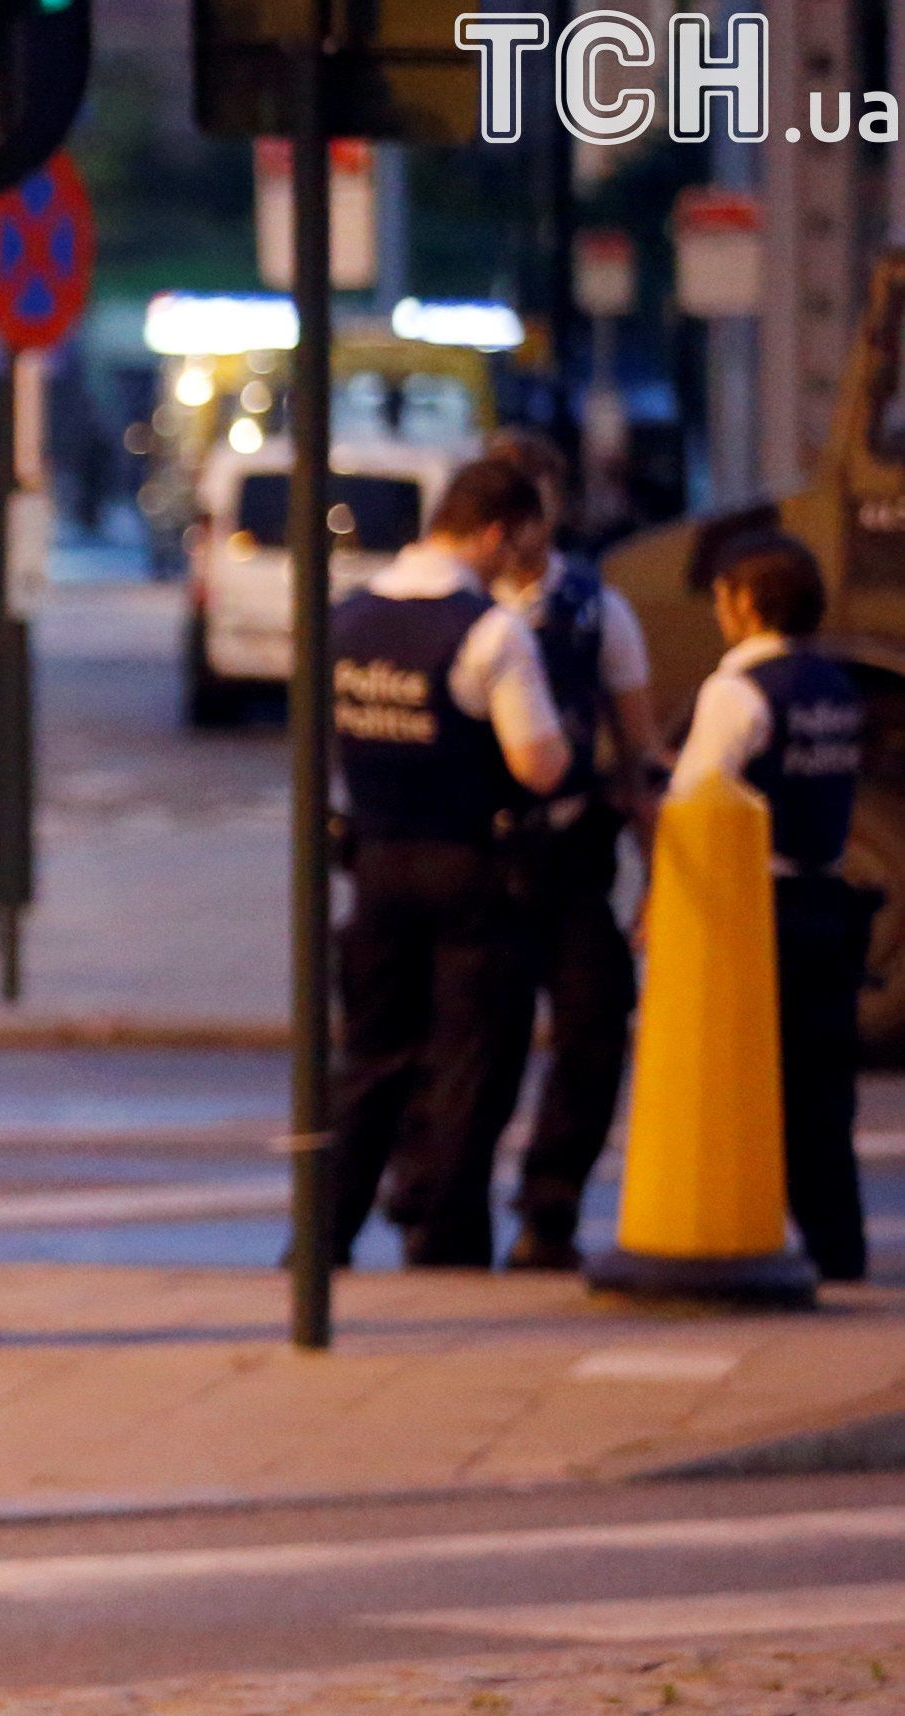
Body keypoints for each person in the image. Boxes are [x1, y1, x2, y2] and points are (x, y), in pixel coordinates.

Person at [325, 455, 575, 1269]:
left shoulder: (347, 617)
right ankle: (446, 1237)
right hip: (468, 867)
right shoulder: (491, 630)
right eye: (523, 544)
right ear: (496, 534)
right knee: (469, 1063)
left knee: (371, 1059)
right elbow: (539, 764)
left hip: (374, 863)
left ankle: (326, 1234)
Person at [465, 428, 664, 1272]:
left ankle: (549, 1209)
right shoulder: (455, 607)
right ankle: (446, 1212)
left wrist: (656, 875)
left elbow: (639, 750)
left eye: (534, 508)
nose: (519, 528)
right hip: (477, 859)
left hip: (570, 850)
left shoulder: (596, 609)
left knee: (593, 1025)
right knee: (477, 1045)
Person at [665, 534, 874, 1284]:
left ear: (748, 604)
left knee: (751, 1085)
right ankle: (839, 1247)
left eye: (723, 596)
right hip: (830, 903)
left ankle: (747, 1235)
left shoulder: (738, 691)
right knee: (824, 1090)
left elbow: (698, 799)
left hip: (758, 906)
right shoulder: (835, 685)